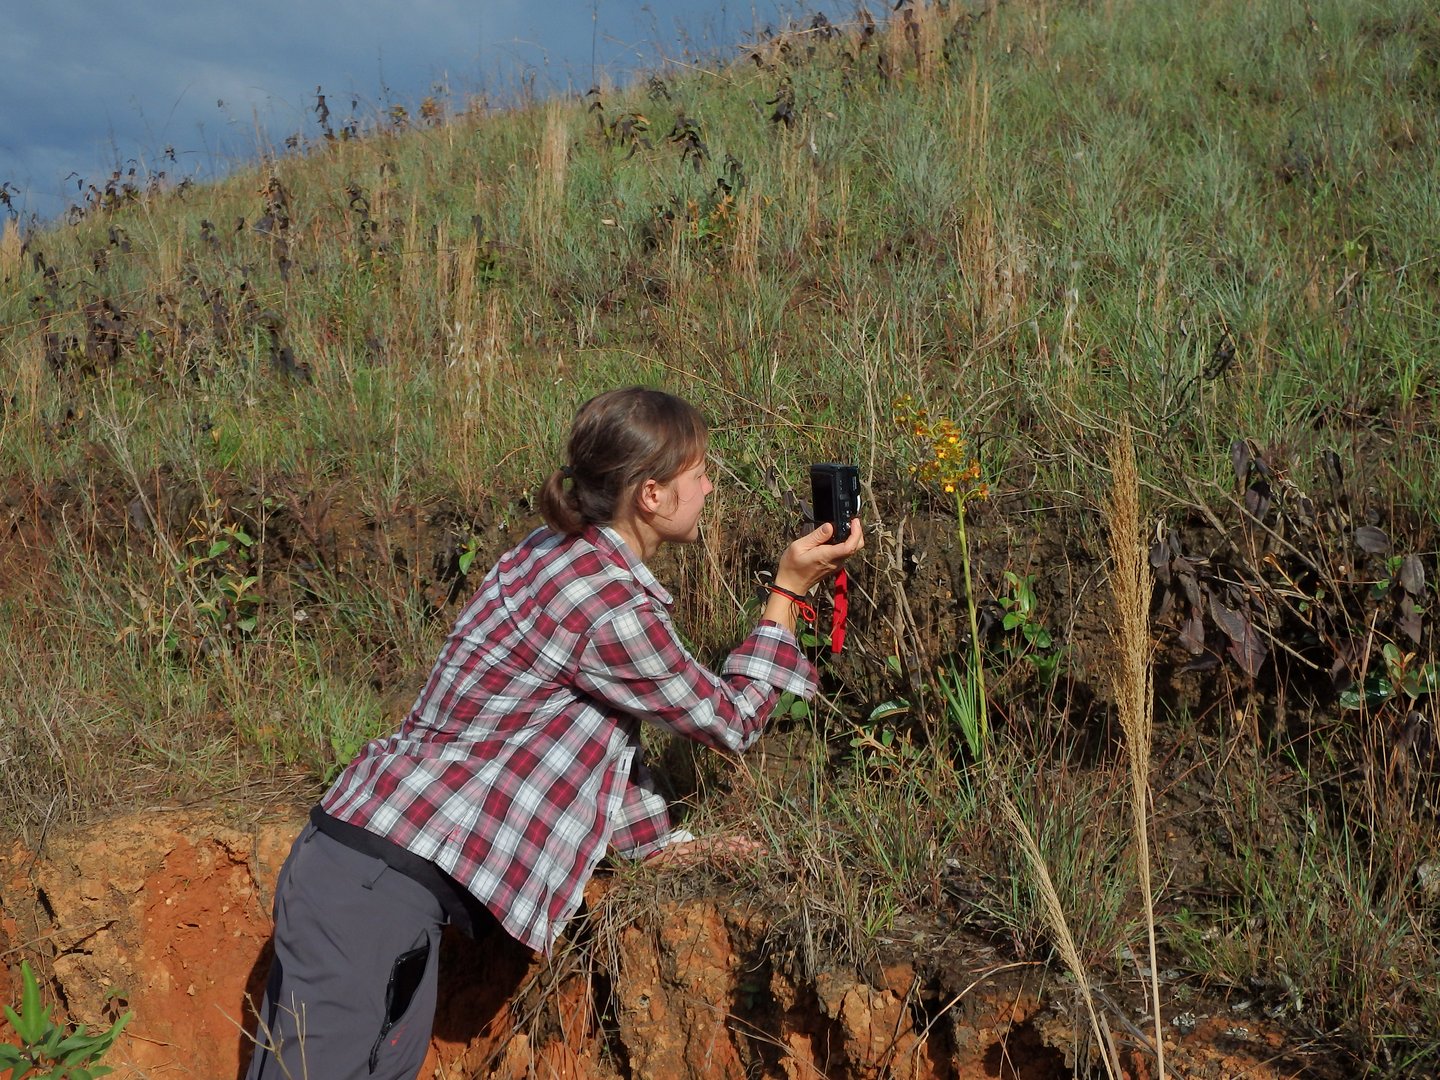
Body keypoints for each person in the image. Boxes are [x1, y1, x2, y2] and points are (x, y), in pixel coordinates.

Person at [245, 386, 864, 1080]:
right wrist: (789, 592)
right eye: (699, 473)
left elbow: (590, 731)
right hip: (373, 894)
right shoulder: (608, 605)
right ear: (652, 495)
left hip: (366, 873)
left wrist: (653, 845)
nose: (711, 485)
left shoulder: (551, 551)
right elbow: (730, 721)